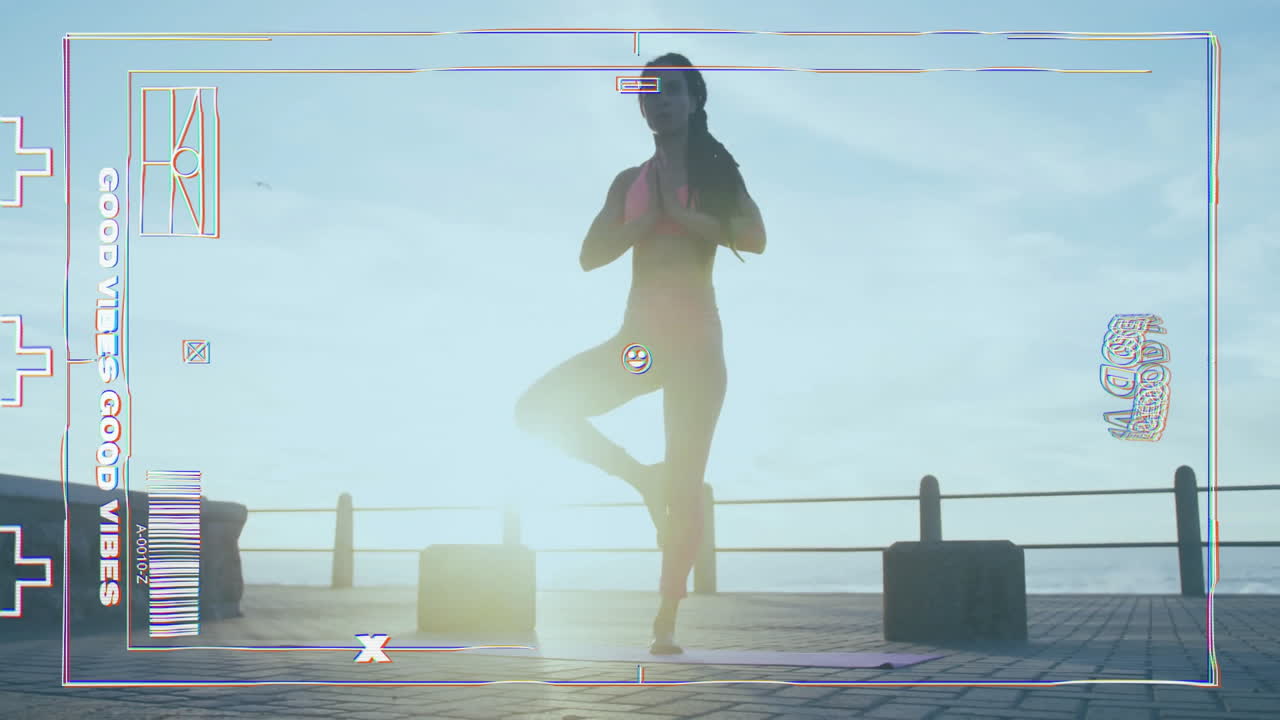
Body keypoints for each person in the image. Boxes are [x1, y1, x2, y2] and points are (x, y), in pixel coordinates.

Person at [514, 52, 767, 655]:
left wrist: (684, 216)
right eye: (649, 93)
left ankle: (666, 620)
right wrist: (644, 223)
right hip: (641, 352)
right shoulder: (628, 182)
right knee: (537, 410)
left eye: (672, 92)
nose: (659, 101)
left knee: (688, 479)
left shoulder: (715, 170)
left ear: (694, 101)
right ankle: (640, 479)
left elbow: (756, 238)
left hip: (696, 353)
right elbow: (588, 255)